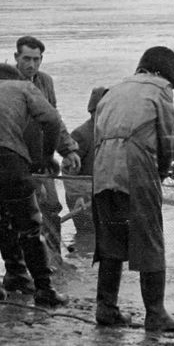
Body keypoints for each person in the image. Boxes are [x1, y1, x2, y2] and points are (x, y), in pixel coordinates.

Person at [0, 62, 80, 306]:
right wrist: (46, 157)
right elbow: (52, 120)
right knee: (30, 223)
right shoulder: (24, 87)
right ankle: (44, 289)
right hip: (6, 155)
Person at [91, 47, 174, 332]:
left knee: (110, 240)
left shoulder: (115, 89)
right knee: (149, 238)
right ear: (168, 72)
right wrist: (163, 169)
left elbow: (98, 131)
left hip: (103, 167)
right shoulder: (160, 90)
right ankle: (155, 314)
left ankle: (106, 308)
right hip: (134, 165)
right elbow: (169, 139)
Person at [15, 35, 78, 265]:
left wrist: (68, 150)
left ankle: (54, 262)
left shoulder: (45, 82)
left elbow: (54, 119)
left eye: (36, 59)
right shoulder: (7, 81)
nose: (31, 64)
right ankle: (22, 267)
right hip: (16, 156)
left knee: (51, 207)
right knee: (20, 212)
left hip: (41, 157)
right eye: (26, 59)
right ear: (16, 58)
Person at [65, 87, 110, 243]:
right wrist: (77, 196)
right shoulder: (81, 135)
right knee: (88, 237)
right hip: (82, 200)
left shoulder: (111, 132)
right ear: (93, 110)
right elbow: (67, 171)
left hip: (105, 195)